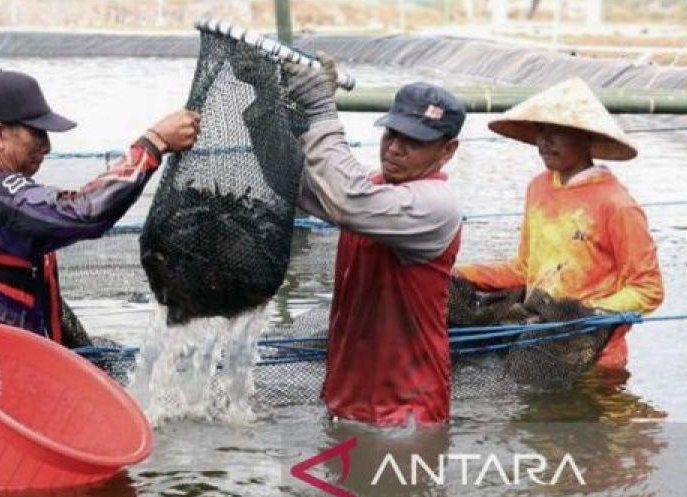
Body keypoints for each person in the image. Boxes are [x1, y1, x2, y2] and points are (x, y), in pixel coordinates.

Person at [0, 68, 200, 347]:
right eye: (37, 132)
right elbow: (86, 212)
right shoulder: (2, 196)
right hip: (22, 381)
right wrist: (153, 144)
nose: (47, 146)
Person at [282, 57, 467, 427]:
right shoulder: (372, 191)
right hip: (347, 399)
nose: (395, 148)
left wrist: (321, 107)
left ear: (447, 151)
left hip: (406, 412)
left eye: (414, 141)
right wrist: (284, 112)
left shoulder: (436, 205)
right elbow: (300, 184)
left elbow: (348, 200)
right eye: (391, 134)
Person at [453, 77, 664, 371]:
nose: (544, 141)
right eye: (541, 130)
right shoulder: (538, 187)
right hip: (536, 343)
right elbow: (525, 269)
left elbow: (647, 289)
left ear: (587, 137)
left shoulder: (617, 204)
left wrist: (587, 313)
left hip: (594, 355)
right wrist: (461, 274)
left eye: (558, 132)